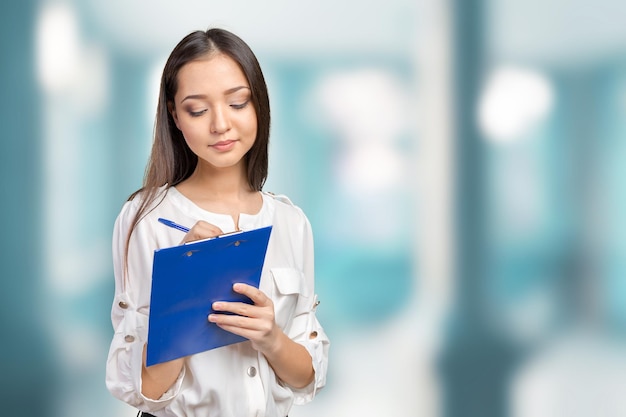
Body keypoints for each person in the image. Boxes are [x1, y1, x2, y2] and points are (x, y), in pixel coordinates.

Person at [105, 28, 330, 417]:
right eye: (197, 109)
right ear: (174, 116)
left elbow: (305, 378)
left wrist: (271, 337)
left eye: (238, 103)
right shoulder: (146, 219)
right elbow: (146, 391)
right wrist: (183, 288)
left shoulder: (291, 222)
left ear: (259, 105)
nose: (220, 124)